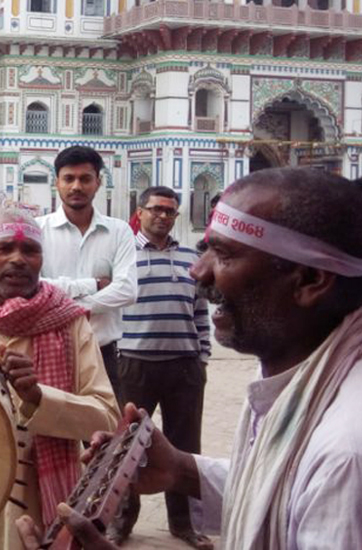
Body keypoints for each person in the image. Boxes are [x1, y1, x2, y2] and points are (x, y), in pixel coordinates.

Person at [20, 168, 362, 550]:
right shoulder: (304, 374)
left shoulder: (353, 452)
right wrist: (181, 469)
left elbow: (320, 481)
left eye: (224, 255)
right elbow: (287, 489)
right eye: (206, 249)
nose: (198, 271)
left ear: (310, 279)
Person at [0, 209, 118, 550]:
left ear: (42, 259)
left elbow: (106, 416)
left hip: (46, 498)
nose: (18, 260)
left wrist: (40, 398)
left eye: (29, 251)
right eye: (5, 248)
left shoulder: (69, 322)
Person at [109, 187, 211, 548]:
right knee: (126, 447)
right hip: (134, 365)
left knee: (185, 447)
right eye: (156, 209)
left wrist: (202, 356)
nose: (163, 216)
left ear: (176, 216)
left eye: (170, 211)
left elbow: (201, 312)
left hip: (184, 366)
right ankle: (120, 522)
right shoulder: (124, 256)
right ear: (141, 211)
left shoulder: (190, 258)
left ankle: (183, 524)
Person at [37, 146, 137, 387]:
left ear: (99, 182)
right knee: (51, 423)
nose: (76, 187)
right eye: (69, 179)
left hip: (102, 352)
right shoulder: (37, 230)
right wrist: (91, 285)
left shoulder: (119, 231)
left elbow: (127, 290)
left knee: (104, 423)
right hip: (49, 351)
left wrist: (73, 308)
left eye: (85, 179)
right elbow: (34, 288)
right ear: (57, 182)